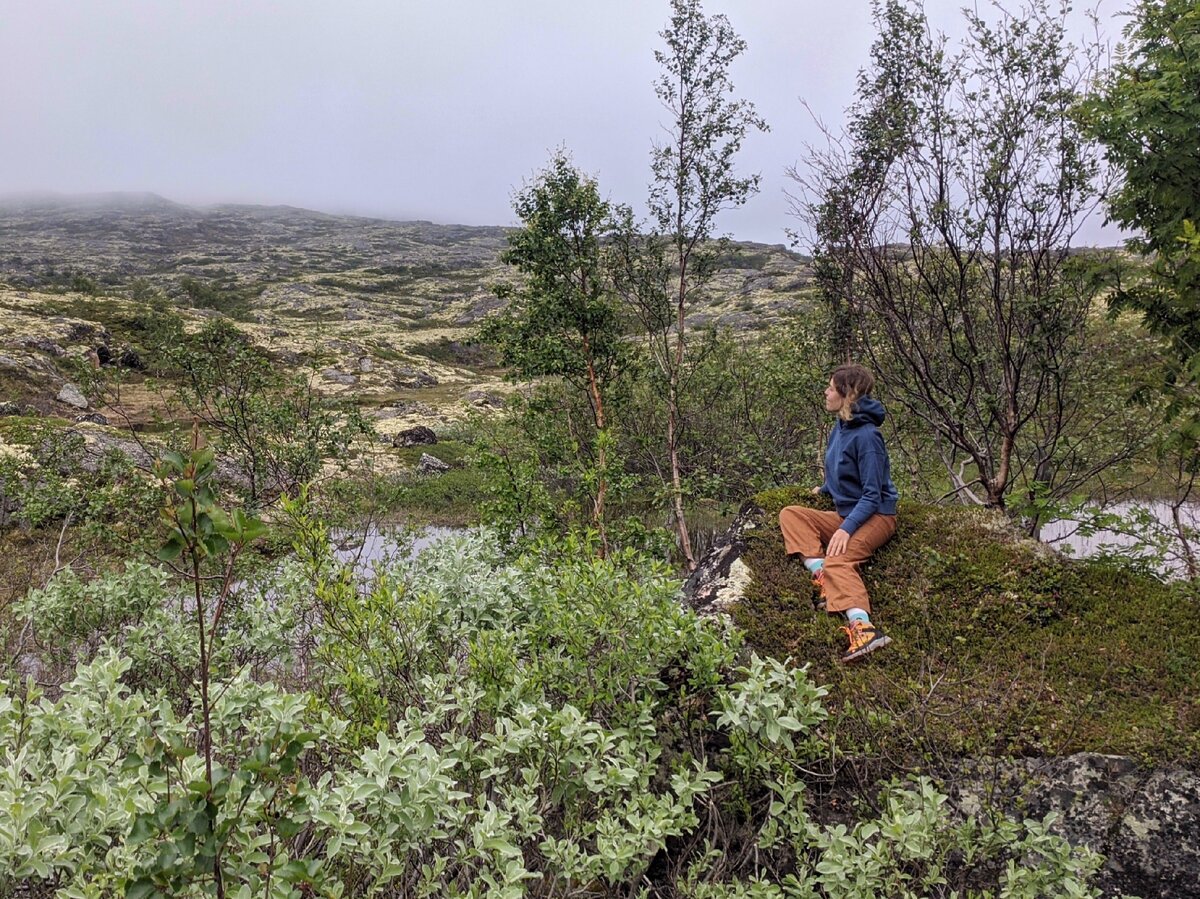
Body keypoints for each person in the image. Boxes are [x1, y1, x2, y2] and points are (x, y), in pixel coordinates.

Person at [779, 364, 899, 662]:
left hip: (877, 516)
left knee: (839, 561)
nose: (826, 392)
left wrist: (846, 529)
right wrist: (825, 489)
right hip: (848, 513)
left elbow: (872, 495)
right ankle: (822, 576)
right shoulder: (840, 428)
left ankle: (864, 629)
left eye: (831, 388)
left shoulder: (868, 437)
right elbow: (842, 472)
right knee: (791, 514)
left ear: (848, 395)